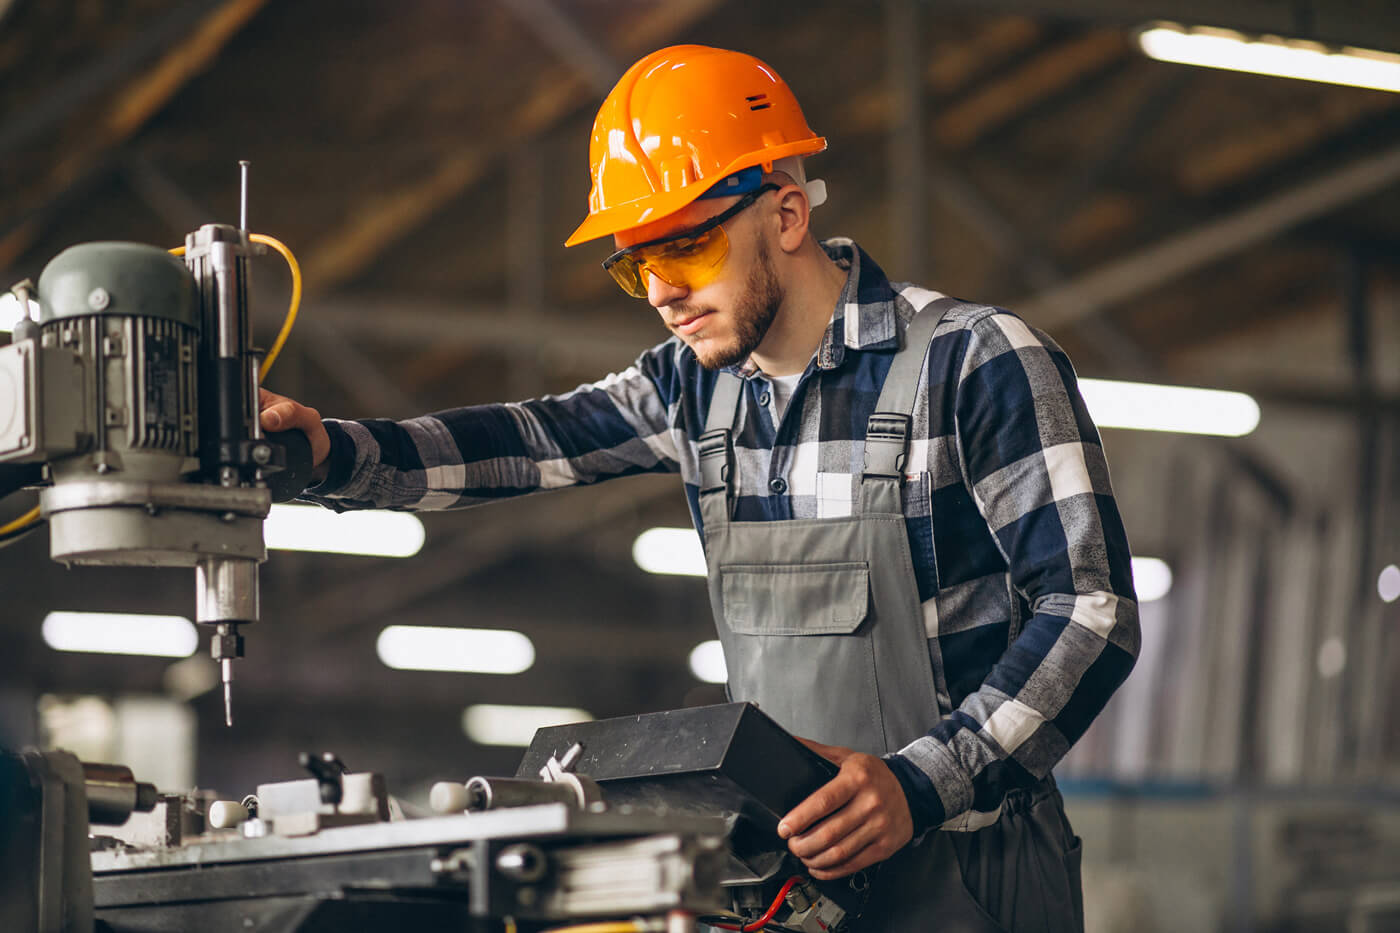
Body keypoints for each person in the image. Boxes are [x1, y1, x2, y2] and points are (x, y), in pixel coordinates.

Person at [260, 45, 1139, 932]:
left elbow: (1091, 611)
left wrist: (920, 781)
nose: (660, 291)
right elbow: (531, 438)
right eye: (634, 262)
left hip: (970, 876)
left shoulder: (973, 362)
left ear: (787, 212)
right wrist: (336, 451)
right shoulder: (692, 388)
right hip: (784, 885)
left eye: (685, 245)